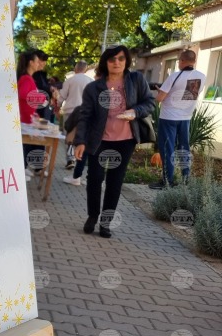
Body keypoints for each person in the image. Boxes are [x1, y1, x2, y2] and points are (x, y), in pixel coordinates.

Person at [74, 45, 155, 238]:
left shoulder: (136, 80)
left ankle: (106, 223)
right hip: (99, 140)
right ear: (106, 62)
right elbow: (85, 116)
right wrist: (80, 141)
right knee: (94, 179)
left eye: (121, 58)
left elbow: (149, 103)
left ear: (126, 61)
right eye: (112, 59)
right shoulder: (94, 87)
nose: (116, 62)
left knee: (115, 181)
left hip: (125, 140)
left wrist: (135, 111)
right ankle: (92, 216)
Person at [149, 50, 206, 189]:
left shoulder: (174, 76)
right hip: (185, 118)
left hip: (169, 117)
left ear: (182, 61)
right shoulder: (201, 77)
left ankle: (167, 181)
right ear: (194, 61)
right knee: (184, 148)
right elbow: (187, 95)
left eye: (179, 60)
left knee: (167, 149)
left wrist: (160, 91)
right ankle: (186, 180)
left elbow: (159, 99)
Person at [17, 50, 46, 180]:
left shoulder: (28, 78)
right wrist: (41, 98)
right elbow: (23, 94)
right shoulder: (26, 78)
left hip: (28, 118)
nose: (39, 63)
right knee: (24, 145)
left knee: (27, 145)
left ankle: (23, 168)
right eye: (37, 61)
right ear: (31, 63)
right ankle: (20, 170)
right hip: (23, 119)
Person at [60, 61, 93, 174]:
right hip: (84, 113)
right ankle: (78, 159)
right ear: (85, 69)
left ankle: (70, 159)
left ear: (75, 69)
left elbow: (62, 96)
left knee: (69, 135)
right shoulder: (90, 81)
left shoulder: (69, 80)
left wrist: (58, 105)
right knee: (80, 136)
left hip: (70, 112)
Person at [32, 50, 53, 122]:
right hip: (35, 113)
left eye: (45, 60)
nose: (44, 63)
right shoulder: (30, 76)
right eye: (42, 60)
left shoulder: (41, 75)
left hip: (42, 111)